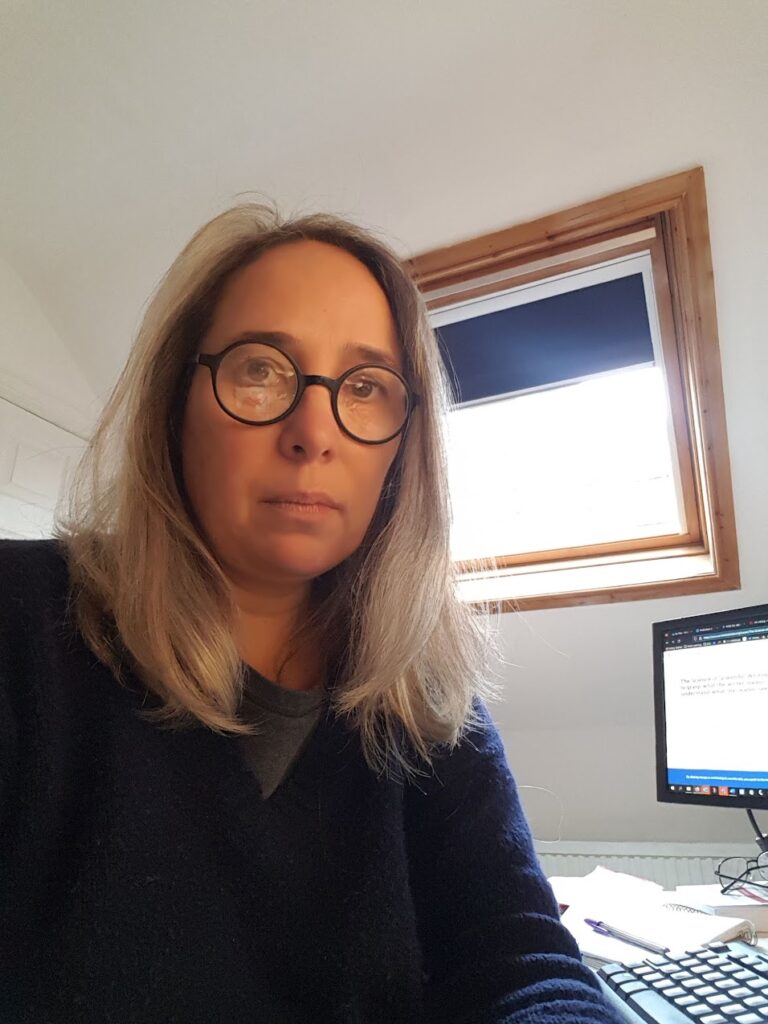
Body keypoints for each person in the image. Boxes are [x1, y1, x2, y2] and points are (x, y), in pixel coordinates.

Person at [0, 203, 623, 1023]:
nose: (312, 431)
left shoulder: (427, 702)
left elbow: (520, 960)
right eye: (261, 369)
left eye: (365, 388)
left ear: (403, 450)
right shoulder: (22, 625)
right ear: (172, 404)